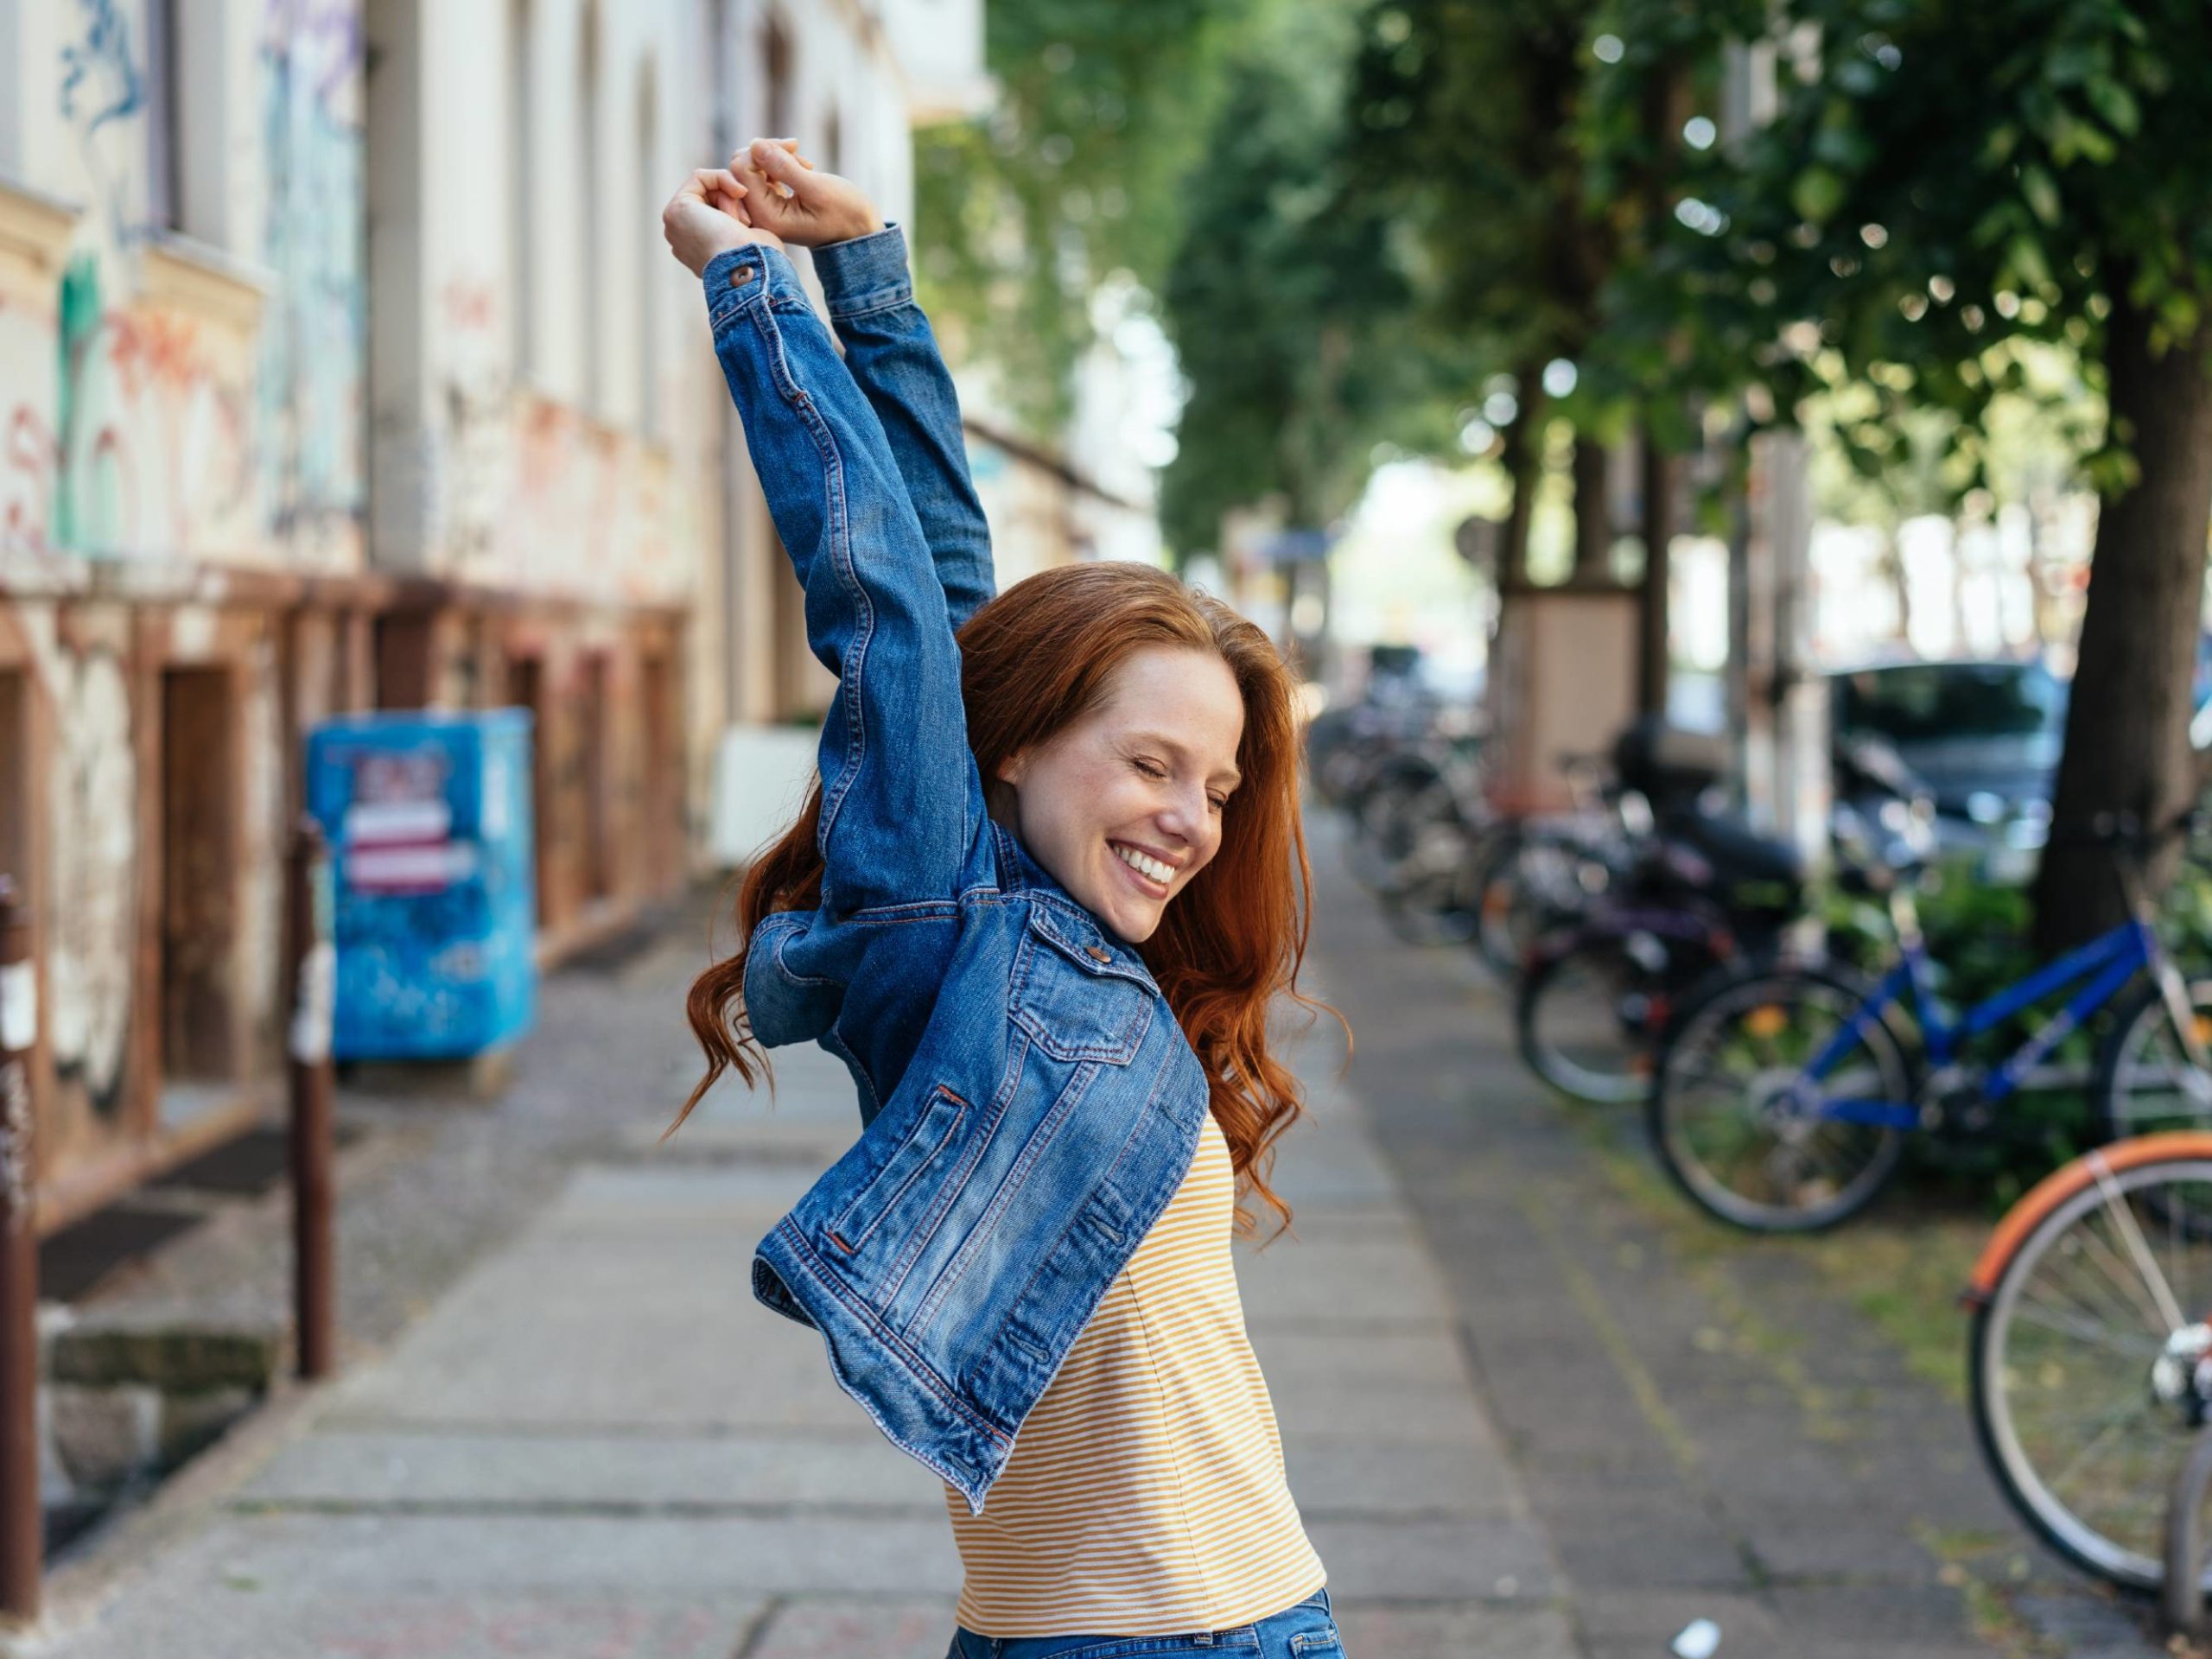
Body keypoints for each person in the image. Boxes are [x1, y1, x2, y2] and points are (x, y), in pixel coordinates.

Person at [660, 138, 1350, 1659]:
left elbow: (959, 596)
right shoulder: (941, 932)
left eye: (1218, 788)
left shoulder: (1047, 926)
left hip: (1251, 1619)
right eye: (1154, 763)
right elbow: (893, 606)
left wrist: (872, 280)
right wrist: (750, 294)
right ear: (1021, 749)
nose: (1191, 822)